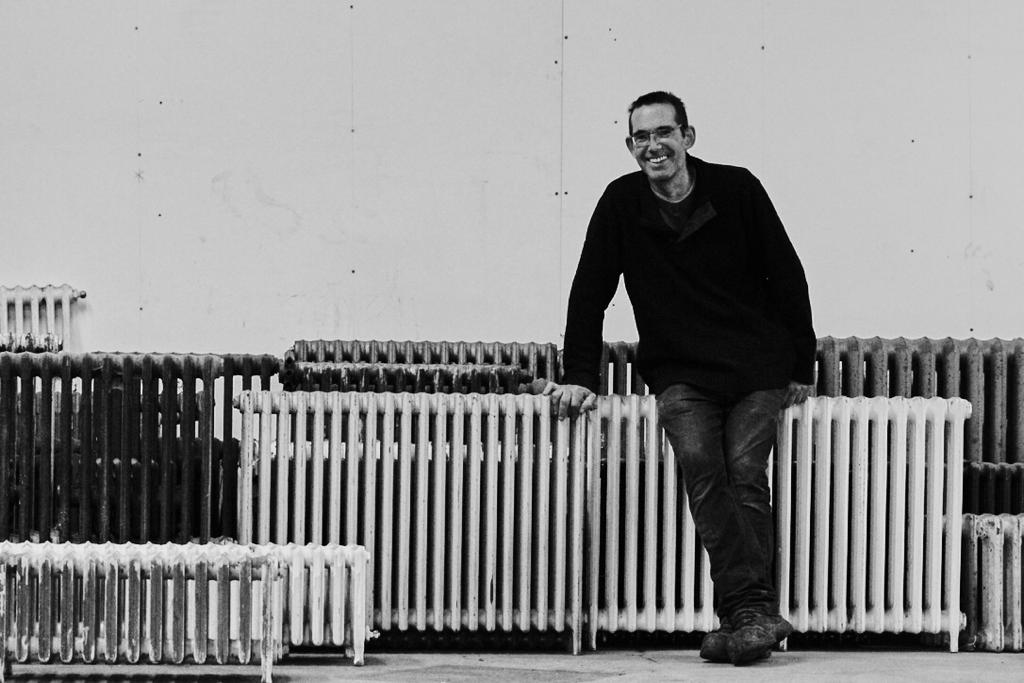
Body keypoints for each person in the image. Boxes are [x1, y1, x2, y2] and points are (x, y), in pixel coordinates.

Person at [545, 91, 815, 665]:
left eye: (664, 132)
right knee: (703, 465)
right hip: (681, 373)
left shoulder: (737, 189)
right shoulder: (621, 203)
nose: (653, 145)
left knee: (744, 470)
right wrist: (579, 376)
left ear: (688, 137)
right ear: (629, 146)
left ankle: (743, 617)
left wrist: (800, 365)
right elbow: (589, 291)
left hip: (755, 366)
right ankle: (755, 615)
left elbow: (788, 274)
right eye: (641, 137)